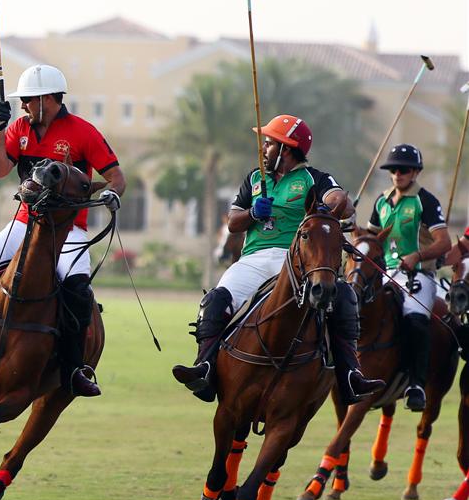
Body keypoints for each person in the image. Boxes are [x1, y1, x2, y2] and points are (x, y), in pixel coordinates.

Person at [0, 64, 124, 398]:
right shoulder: (19, 127)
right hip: (23, 223)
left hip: (68, 231)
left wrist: (108, 193)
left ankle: (75, 369)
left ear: (48, 99)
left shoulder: (83, 133)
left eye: (29, 100)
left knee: (78, 291)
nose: (23, 106)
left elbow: (117, 177)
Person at [171, 114, 384, 404]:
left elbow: (340, 202)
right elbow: (234, 222)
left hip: (297, 260)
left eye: (270, 143)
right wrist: (252, 214)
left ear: (287, 149)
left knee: (344, 297)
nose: (264, 149)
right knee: (216, 299)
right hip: (253, 259)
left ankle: (350, 375)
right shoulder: (255, 178)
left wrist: (325, 205)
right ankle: (205, 367)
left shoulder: (314, 178)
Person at [366, 143, 451, 411]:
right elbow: (370, 237)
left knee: (416, 321)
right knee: (348, 306)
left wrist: (417, 256)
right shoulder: (381, 200)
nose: (397, 175)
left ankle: (415, 384)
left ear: (414, 173)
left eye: (402, 170)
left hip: (418, 275)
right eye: (393, 170)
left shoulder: (425, 200)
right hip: (384, 273)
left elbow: (444, 242)